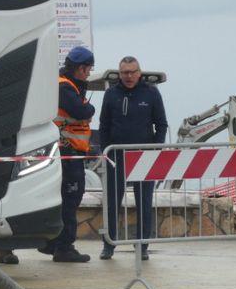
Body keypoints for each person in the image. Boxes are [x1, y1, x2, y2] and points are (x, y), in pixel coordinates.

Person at [98, 56, 168, 260]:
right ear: (120, 74)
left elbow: (161, 124)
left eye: (132, 72)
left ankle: (142, 246)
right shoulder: (111, 94)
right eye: (124, 72)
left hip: (143, 157)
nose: (128, 76)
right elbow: (104, 125)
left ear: (139, 73)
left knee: (144, 203)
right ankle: (109, 245)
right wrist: (105, 151)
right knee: (112, 202)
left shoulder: (151, 93)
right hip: (116, 156)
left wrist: (154, 150)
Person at [39, 45, 96, 262]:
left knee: (64, 199)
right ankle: (64, 247)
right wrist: (89, 110)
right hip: (67, 153)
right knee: (71, 199)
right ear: (81, 68)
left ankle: (53, 244)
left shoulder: (66, 85)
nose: (89, 74)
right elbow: (82, 111)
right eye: (89, 69)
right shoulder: (64, 87)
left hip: (67, 152)